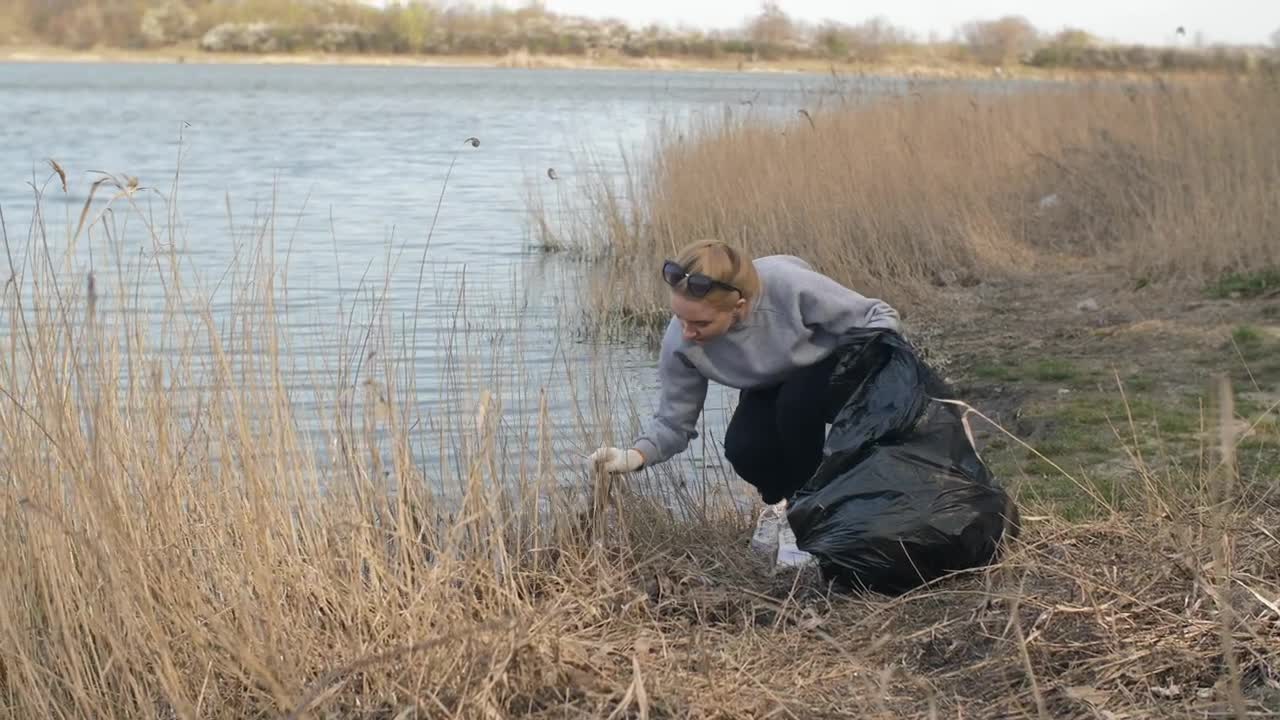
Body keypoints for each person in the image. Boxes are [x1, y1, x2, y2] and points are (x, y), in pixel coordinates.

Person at [588, 239, 901, 505]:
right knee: (744, 449)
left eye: (701, 323)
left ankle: (811, 508)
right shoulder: (680, 344)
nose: (687, 332)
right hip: (774, 383)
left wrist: (880, 374)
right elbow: (674, 421)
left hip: (836, 364)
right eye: (679, 318)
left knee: (795, 404)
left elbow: (878, 315)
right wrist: (634, 456)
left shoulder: (787, 284)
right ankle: (787, 510)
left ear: (738, 308)